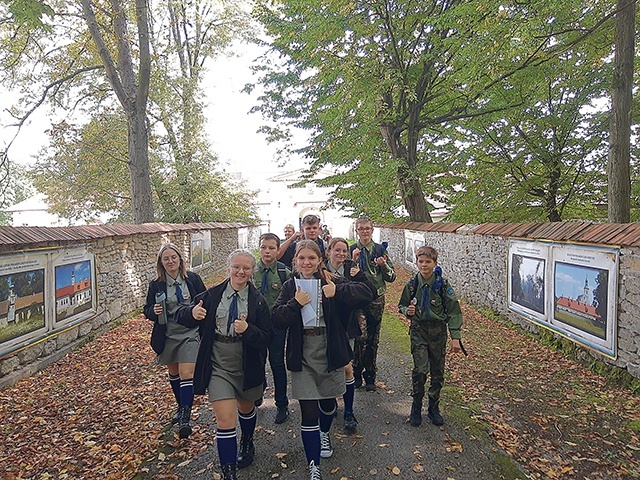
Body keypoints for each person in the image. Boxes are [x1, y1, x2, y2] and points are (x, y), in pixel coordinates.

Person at [272, 240, 374, 480]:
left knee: (328, 405)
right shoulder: (290, 286)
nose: (306, 263)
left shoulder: (331, 280)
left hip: (329, 349)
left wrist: (338, 290)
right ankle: (313, 465)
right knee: (308, 410)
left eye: (311, 258)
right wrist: (295, 304)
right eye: (302, 258)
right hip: (303, 351)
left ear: (320, 260)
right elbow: (277, 318)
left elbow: (368, 293)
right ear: (295, 261)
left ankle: (324, 432)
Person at [175, 250, 273, 480]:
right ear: (228, 267)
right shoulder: (212, 296)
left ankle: (247, 440)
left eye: (246, 268)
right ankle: (229, 472)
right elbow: (181, 314)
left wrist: (248, 330)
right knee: (226, 420)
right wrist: (192, 311)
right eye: (236, 267)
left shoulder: (258, 301)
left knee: (246, 408)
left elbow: (267, 337)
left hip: (247, 363)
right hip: (218, 363)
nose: (240, 272)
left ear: (252, 271)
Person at [143, 243, 207, 439]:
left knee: (186, 373)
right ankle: (180, 406)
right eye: (166, 259)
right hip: (168, 333)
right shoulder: (157, 284)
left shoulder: (193, 279)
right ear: (161, 263)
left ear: (180, 259)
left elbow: (206, 300)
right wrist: (152, 311)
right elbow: (146, 309)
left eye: (173, 257)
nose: (170, 261)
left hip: (190, 331)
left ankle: (185, 418)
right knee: (174, 373)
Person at [398, 245, 463, 427]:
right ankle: (416, 405)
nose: (424, 265)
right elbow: (401, 305)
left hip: (438, 333)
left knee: (437, 372)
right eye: (421, 261)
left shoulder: (442, 286)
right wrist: (407, 311)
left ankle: (433, 407)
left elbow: (454, 312)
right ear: (417, 262)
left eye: (428, 262)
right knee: (420, 370)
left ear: (435, 263)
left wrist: (455, 337)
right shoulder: (411, 285)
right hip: (419, 331)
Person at [324, 237, 376, 432]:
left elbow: (369, 293)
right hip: (327, 326)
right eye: (337, 250)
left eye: (344, 251)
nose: (341, 254)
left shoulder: (351, 269)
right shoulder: (320, 269)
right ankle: (332, 404)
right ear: (328, 251)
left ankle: (349, 412)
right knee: (329, 368)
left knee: (347, 368)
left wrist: (360, 275)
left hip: (347, 326)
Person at [349, 216, 396, 392]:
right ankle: (356, 372)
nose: (364, 232)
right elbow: (345, 276)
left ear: (372, 230)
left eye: (367, 228)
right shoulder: (352, 249)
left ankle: (370, 375)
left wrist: (383, 266)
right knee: (360, 336)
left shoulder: (379, 249)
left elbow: (391, 277)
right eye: (361, 229)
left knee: (373, 339)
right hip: (358, 298)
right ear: (357, 231)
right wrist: (352, 261)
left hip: (376, 299)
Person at [253, 233, 291, 424]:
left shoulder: (284, 272)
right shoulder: (251, 271)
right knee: (256, 362)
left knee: (277, 363)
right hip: (256, 327)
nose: (267, 251)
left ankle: (282, 404)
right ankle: (258, 391)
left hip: (277, 326)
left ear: (278, 250)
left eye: (271, 248)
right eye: (263, 247)